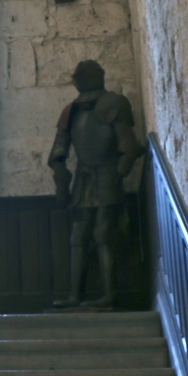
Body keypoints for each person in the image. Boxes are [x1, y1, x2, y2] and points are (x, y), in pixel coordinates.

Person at [48, 60, 142, 308]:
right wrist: (61, 181)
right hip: (83, 176)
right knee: (78, 236)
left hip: (107, 173)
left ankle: (110, 294)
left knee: (103, 233)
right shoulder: (71, 110)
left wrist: (122, 168)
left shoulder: (114, 103)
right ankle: (74, 296)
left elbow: (129, 145)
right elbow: (58, 152)